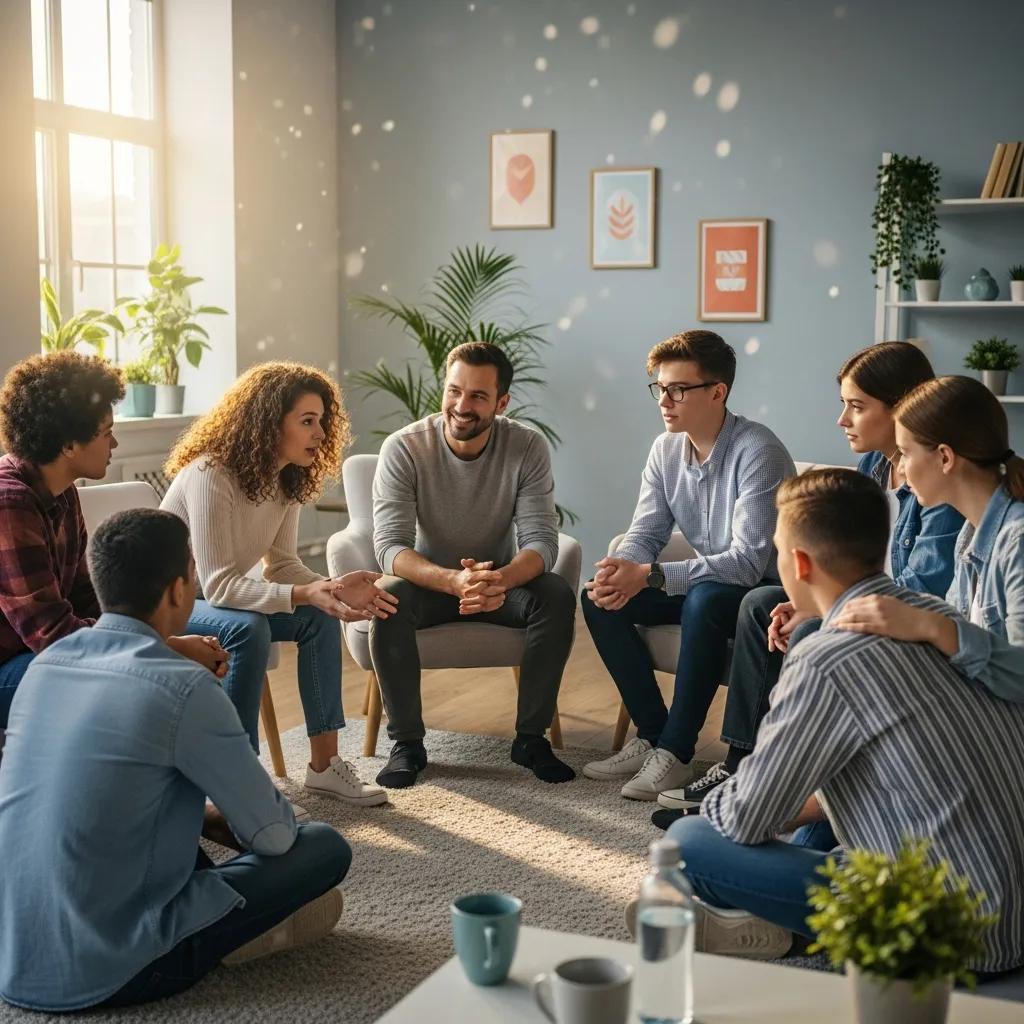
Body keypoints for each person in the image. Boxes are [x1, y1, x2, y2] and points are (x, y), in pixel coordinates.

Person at [666, 469, 1024, 974]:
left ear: (800, 563)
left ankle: (792, 927)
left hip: (949, 936)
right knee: (832, 813)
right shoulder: (934, 616)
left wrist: (735, 802)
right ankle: (788, 928)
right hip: (1012, 917)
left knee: (687, 845)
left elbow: (744, 819)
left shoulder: (825, 661)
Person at [0, 509, 352, 1011]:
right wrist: (230, 820)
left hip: (14, 960)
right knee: (322, 846)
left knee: (162, 816)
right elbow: (274, 837)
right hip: (116, 969)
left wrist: (202, 817)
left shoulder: (42, 667)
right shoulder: (183, 686)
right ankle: (239, 934)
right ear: (177, 590)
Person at [653, 342, 963, 827]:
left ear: (902, 405)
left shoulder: (933, 482)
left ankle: (768, 785)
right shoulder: (874, 467)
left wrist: (823, 610)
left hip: (901, 618)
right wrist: (818, 602)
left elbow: (917, 590)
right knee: (762, 603)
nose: (842, 420)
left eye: (856, 406)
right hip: (859, 598)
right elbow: (851, 561)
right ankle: (741, 764)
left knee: (786, 620)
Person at [162, 362, 395, 806]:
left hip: (214, 600)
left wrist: (331, 590)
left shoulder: (286, 477)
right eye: (307, 421)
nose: (320, 433)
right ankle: (238, 775)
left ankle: (324, 766)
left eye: (321, 421)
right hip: (169, 608)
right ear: (269, 422)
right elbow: (219, 586)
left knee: (317, 617)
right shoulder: (211, 474)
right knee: (247, 628)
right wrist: (309, 592)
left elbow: (283, 566)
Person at [581, 330, 795, 801]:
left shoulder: (758, 451)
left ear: (717, 392)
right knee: (597, 597)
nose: (664, 401)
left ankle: (676, 753)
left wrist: (651, 575)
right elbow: (647, 531)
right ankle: (653, 736)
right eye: (659, 388)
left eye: (678, 389)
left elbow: (746, 564)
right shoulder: (666, 449)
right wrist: (621, 569)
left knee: (705, 598)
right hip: (711, 586)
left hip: (764, 595)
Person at [369, 341, 576, 788]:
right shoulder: (404, 447)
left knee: (556, 593)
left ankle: (530, 739)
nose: (462, 406)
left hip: (498, 587)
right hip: (429, 587)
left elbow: (541, 541)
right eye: (454, 391)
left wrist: (496, 580)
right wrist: (452, 580)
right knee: (388, 596)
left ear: (502, 403)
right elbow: (389, 546)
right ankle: (407, 744)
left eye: (478, 396)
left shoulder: (527, 446)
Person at [0, 352, 227, 730]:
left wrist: (159, 643)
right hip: (11, 666)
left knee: (166, 668)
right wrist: (167, 648)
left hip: (34, 656)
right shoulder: (10, 503)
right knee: (145, 674)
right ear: (68, 444)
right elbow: (54, 637)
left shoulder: (62, 492)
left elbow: (90, 599)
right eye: (106, 433)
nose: (115, 443)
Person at [831, 374, 1024, 700]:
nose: (900, 470)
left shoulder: (1017, 541)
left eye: (905, 453)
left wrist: (932, 626)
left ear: (945, 458)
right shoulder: (969, 536)